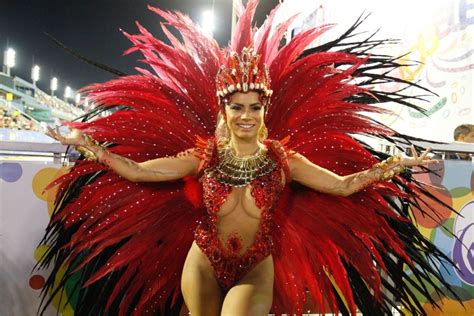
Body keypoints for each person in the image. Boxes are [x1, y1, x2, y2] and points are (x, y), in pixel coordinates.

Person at [39, 1, 460, 315]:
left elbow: (341, 184)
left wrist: (393, 166)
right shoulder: (203, 156)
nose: (245, 115)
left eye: (253, 107)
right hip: (203, 260)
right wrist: (89, 145)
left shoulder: (282, 160)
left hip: (256, 264)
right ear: (224, 109)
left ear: (264, 110)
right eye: (236, 107)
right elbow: (138, 171)